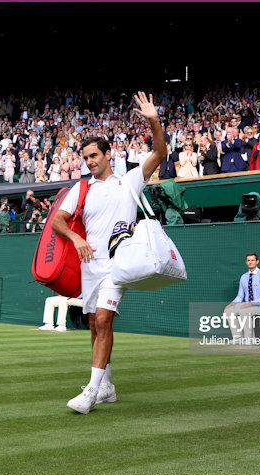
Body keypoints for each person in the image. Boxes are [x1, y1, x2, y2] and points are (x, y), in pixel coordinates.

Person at [51, 91, 166, 414]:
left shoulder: (129, 181)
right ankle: (107, 386)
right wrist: (75, 238)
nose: (89, 162)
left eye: (93, 156)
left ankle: (90, 392)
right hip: (91, 266)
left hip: (119, 265)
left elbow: (159, 152)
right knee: (93, 323)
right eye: (85, 157)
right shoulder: (82, 187)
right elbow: (58, 220)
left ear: (107, 154)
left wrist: (153, 120)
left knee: (103, 320)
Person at [223, 253, 260, 343]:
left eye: (252, 260)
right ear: (246, 262)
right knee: (228, 311)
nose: (250, 262)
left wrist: (250, 303)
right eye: (248, 260)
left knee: (243, 311)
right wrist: (233, 303)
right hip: (247, 304)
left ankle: (249, 339)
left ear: (257, 262)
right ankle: (237, 338)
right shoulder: (243, 277)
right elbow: (240, 296)